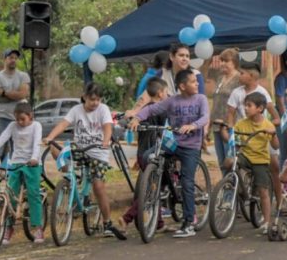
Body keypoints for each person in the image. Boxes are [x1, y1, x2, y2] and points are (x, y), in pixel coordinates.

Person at [128, 69, 209, 238]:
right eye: (193, 81)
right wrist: (136, 118)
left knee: (187, 182)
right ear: (182, 86)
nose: (197, 84)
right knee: (148, 156)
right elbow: (150, 110)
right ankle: (159, 183)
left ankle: (188, 222)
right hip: (173, 143)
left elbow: (205, 118)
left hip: (191, 147)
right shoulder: (172, 101)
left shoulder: (201, 99)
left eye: (196, 81)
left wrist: (193, 126)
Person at [45, 83, 126, 240]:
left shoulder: (103, 109)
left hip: (98, 152)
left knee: (98, 185)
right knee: (55, 149)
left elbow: (108, 127)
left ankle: (107, 222)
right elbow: (63, 124)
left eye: (97, 99)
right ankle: (68, 180)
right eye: (91, 99)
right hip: (80, 149)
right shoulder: (76, 110)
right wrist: (50, 137)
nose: (95, 103)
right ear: (84, 98)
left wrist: (106, 140)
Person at [0, 102, 44, 244]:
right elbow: (1, 140)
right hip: (15, 163)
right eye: (17, 119)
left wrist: (34, 158)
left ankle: (37, 227)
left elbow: (37, 144)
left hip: (32, 164)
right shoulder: (12, 126)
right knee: (10, 195)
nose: (19, 122)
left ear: (30, 116)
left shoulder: (36, 126)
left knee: (33, 194)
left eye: (22, 119)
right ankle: (8, 228)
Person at [223, 92, 279, 235]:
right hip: (245, 155)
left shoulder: (267, 124)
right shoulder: (241, 124)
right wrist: (225, 130)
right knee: (229, 162)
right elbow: (230, 139)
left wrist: (272, 134)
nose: (245, 109)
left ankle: (266, 221)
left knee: (263, 191)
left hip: (260, 160)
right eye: (245, 105)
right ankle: (236, 185)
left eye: (249, 106)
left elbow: (276, 146)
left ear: (260, 108)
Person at [118, 77, 169, 233]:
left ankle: (159, 223)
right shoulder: (161, 109)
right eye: (166, 92)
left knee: (153, 186)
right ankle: (127, 217)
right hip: (154, 152)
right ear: (160, 93)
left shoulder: (144, 109)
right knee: (151, 189)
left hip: (142, 153)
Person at [226, 61, 282, 199]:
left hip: (262, 135)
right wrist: (231, 129)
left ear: (251, 76)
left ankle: (280, 199)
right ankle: (238, 194)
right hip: (244, 134)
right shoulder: (236, 92)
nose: (239, 75)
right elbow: (230, 115)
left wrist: (266, 127)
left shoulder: (263, 93)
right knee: (232, 162)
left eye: (242, 73)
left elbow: (277, 119)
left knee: (274, 166)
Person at [0, 49, 30, 181]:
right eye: (10, 57)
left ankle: (15, 179)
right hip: (2, 117)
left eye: (15, 58)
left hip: (19, 119)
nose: (13, 60)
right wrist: (13, 94)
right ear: (5, 59)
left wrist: (4, 92)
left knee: (17, 150)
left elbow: (23, 94)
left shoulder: (23, 76)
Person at [129, 44, 205, 113]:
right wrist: (135, 111)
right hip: (167, 120)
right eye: (181, 55)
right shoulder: (162, 73)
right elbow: (148, 93)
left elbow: (201, 102)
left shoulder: (196, 74)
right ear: (172, 57)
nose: (185, 59)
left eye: (187, 56)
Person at [209, 48, 240, 171]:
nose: (222, 64)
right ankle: (225, 188)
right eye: (221, 60)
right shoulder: (220, 78)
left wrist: (230, 124)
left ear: (235, 62)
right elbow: (215, 102)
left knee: (230, 161)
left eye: (226, 61)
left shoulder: (239, 79)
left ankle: (234, 189)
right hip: (217, 125)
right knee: (221, 162)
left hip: (230, 126)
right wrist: (210, 124)